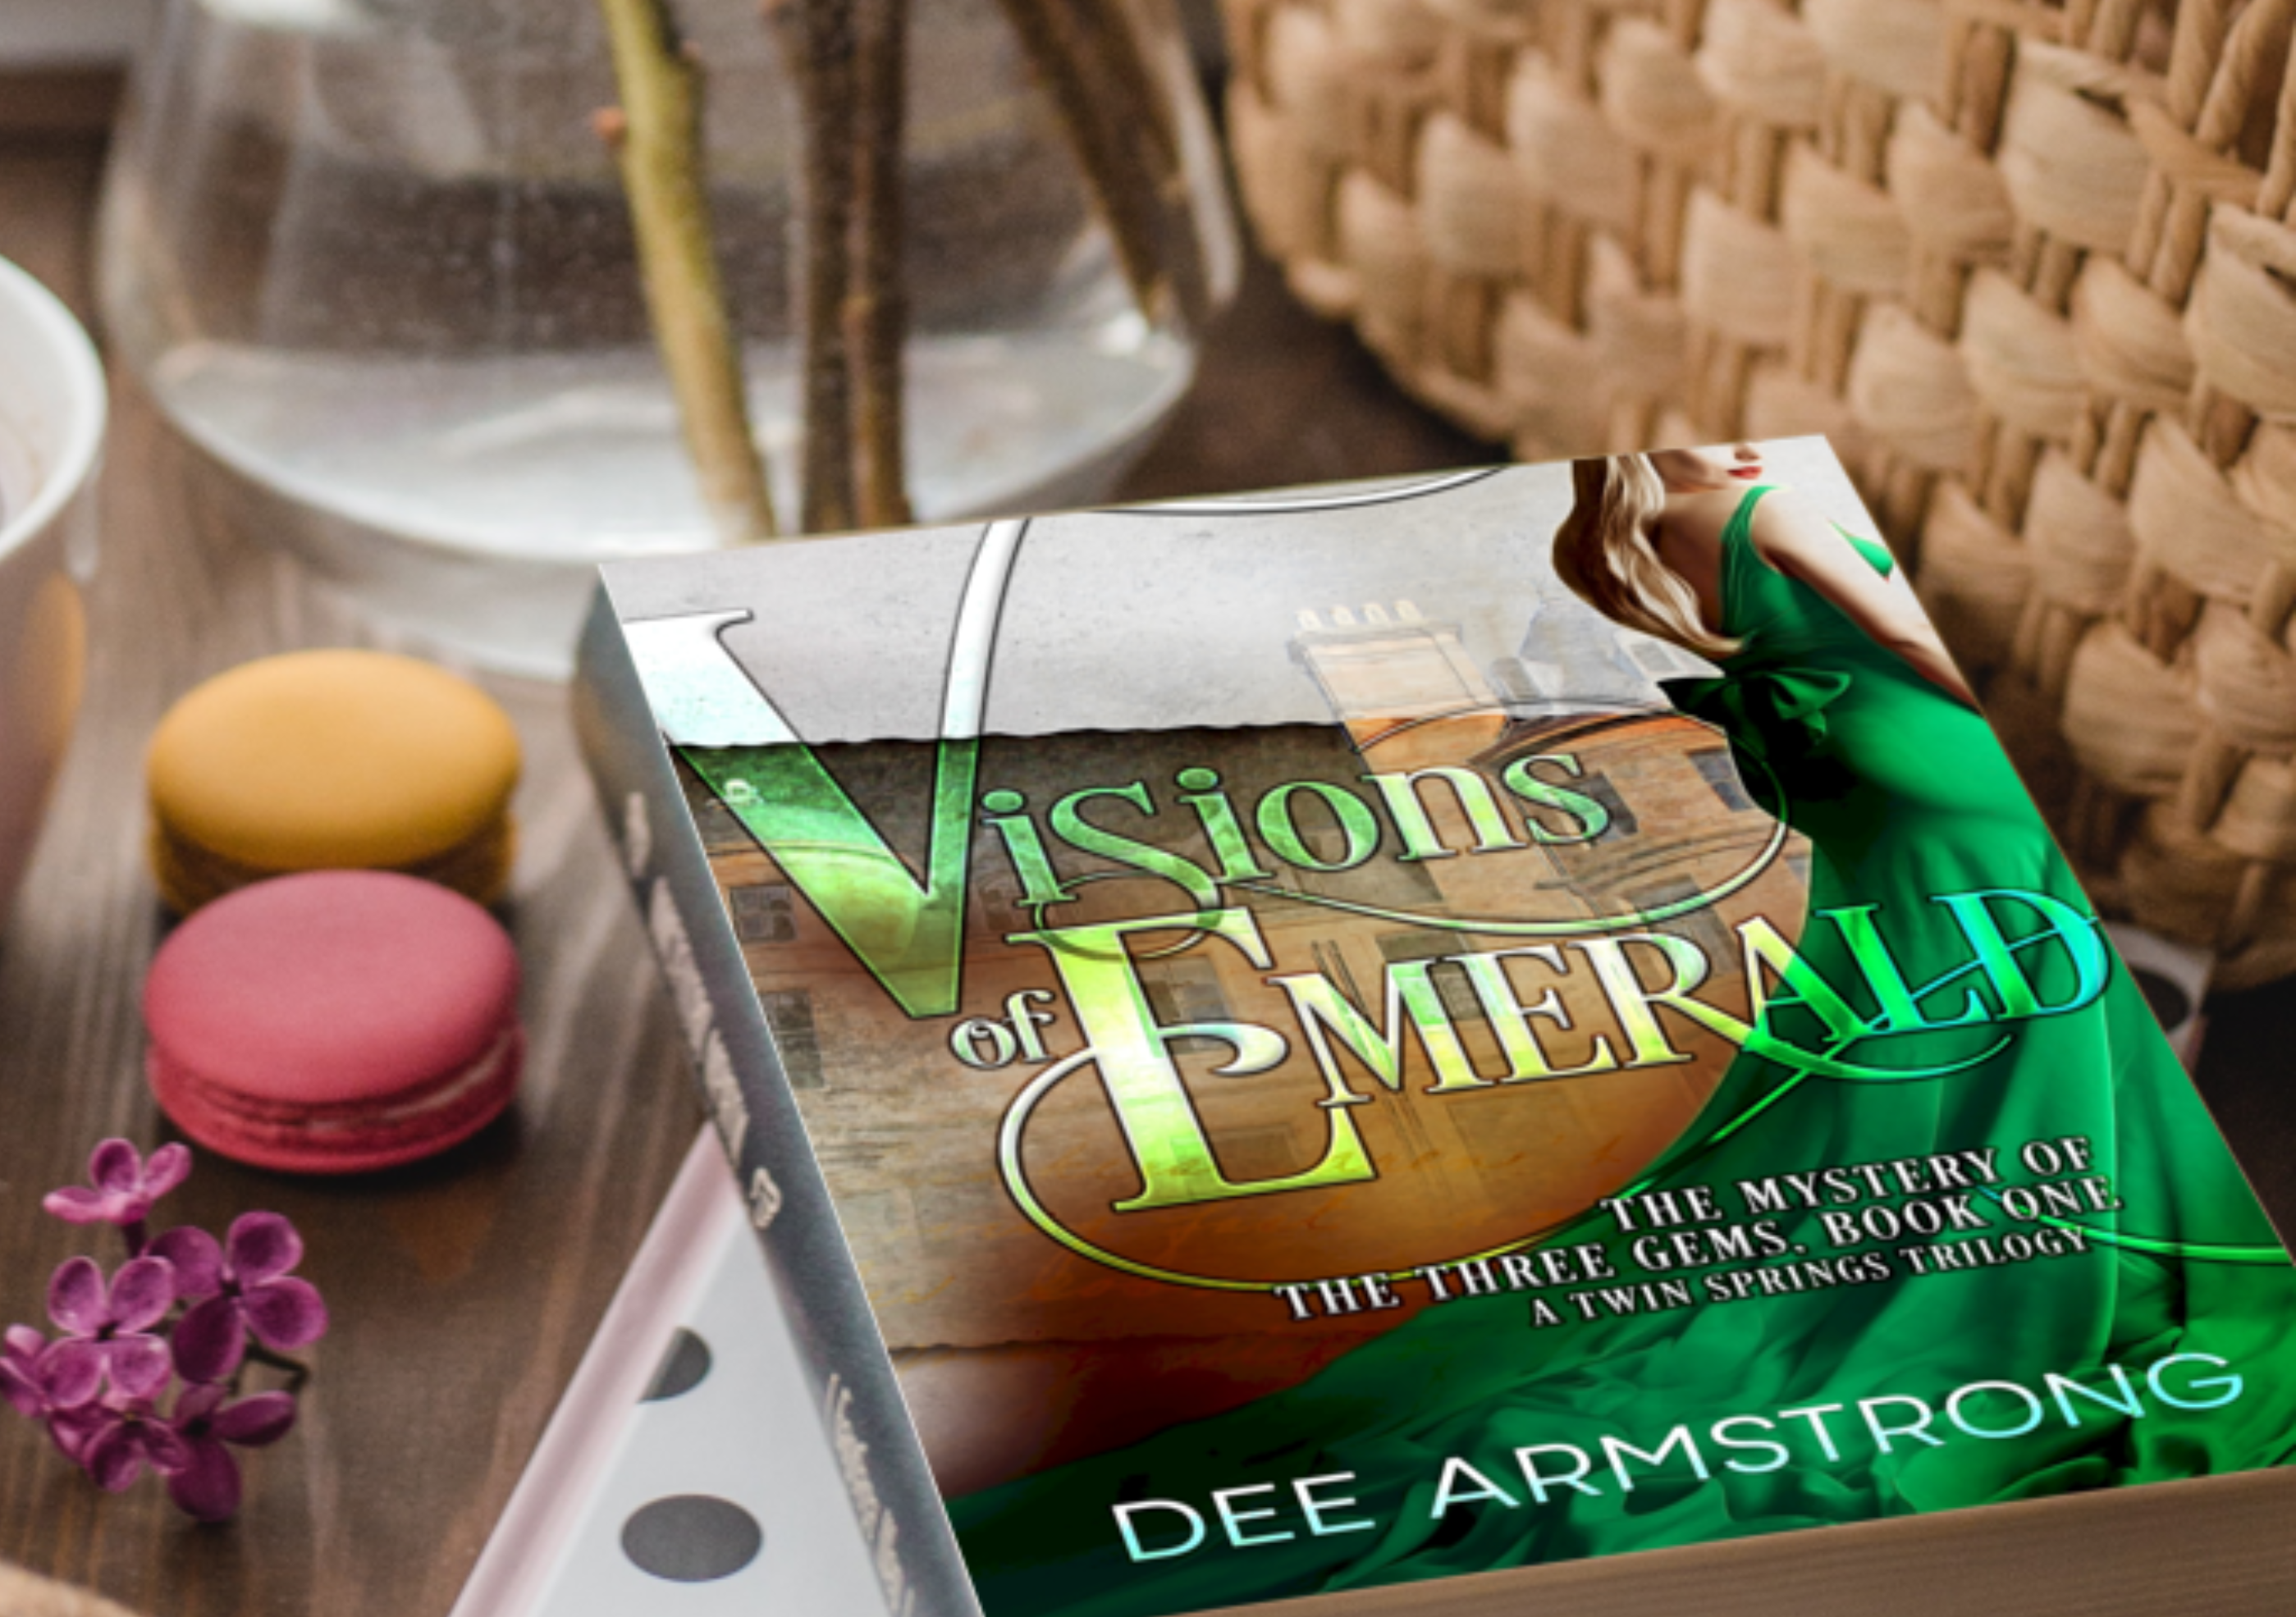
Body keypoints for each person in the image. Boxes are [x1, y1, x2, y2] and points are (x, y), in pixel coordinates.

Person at [951, 445, 2296, 1611]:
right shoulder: (1767, 512)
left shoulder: (1641, 546)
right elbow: (1915, 654)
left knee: (1924, 1066)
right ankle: (2071, 1281)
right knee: (1992, 1033)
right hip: (1934, 780)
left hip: (1884, 809)